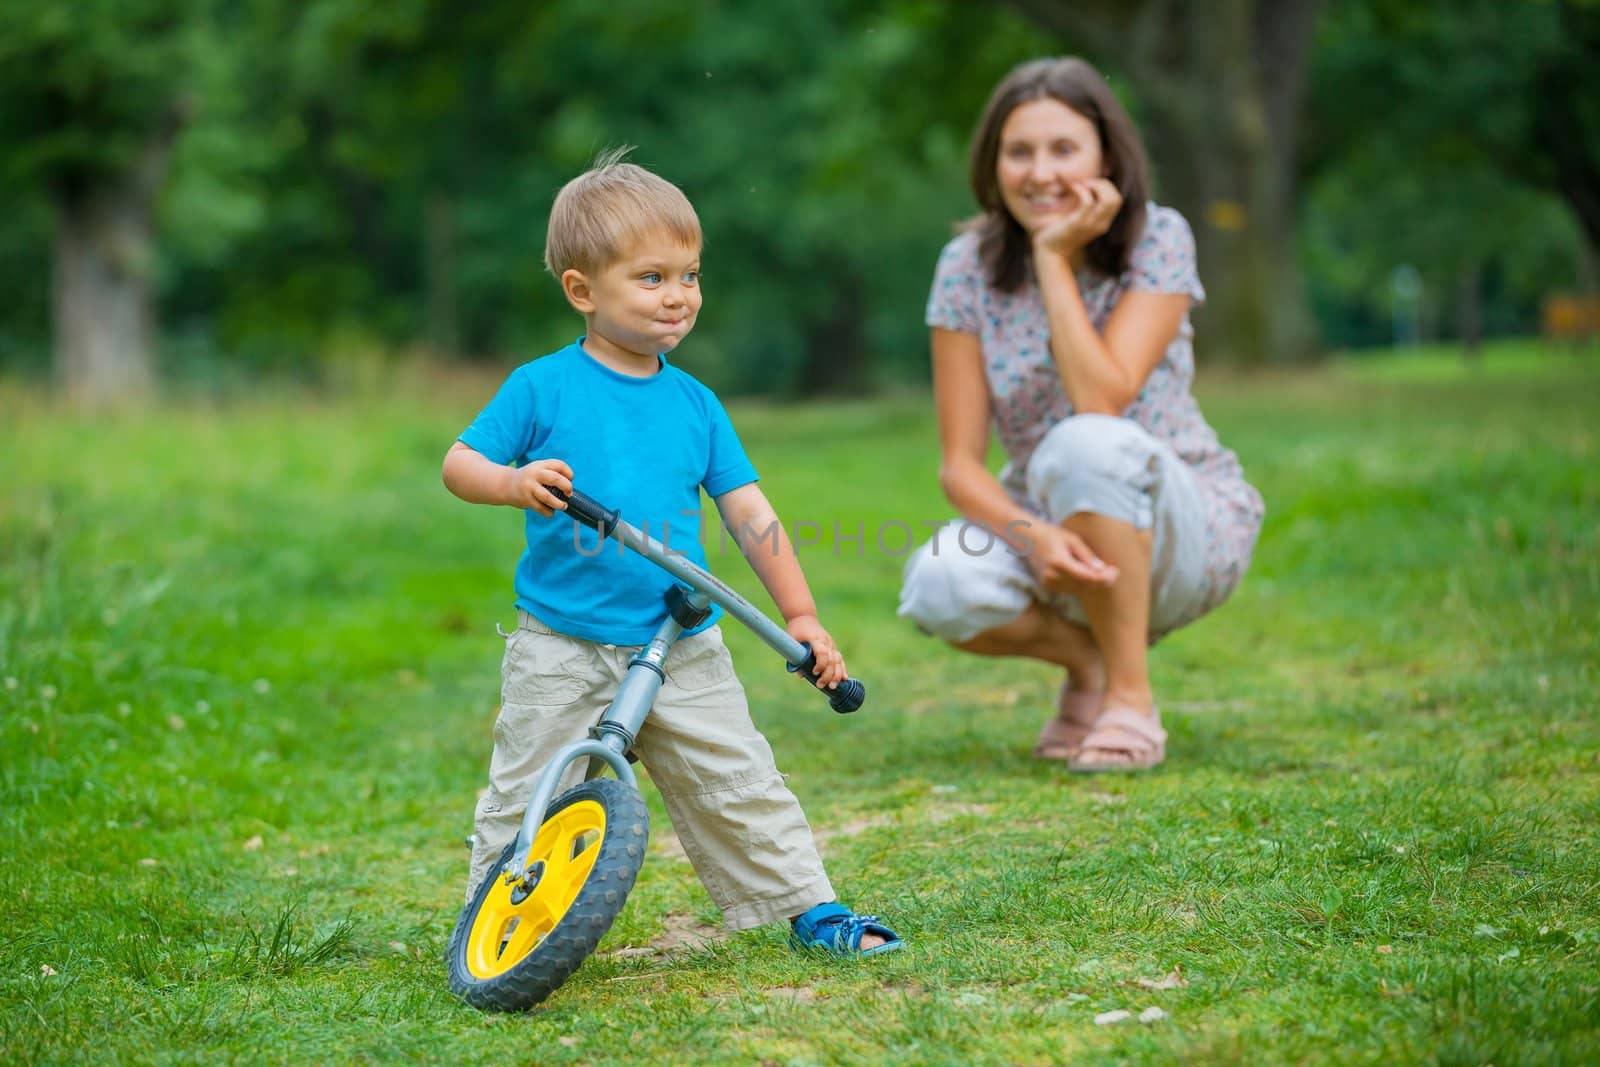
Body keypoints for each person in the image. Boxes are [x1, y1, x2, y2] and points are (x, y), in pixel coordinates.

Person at [443, 151, 899, 954]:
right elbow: (460, 464)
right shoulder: (541, 387)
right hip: (563, 642)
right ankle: (502, 922)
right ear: (582, 290)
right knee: (531, 792)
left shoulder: (696, 403)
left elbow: (751, 514)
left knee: (738, 779)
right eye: (651, 277)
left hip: (676, 639)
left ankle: (813, 908)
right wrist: (513, 483)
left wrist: (802, 614)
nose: (679, 295)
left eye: (689, 275)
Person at [897, 57, 1264, 773]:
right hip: (1053, 521)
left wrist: (1054, 257)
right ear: (993, 162)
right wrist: (1029, 535)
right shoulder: (965, 267)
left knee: (1084, 442)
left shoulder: (1158, 237)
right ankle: (1090, 666)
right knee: (938, 582)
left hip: (1181, 525)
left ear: (1105, 155)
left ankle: (1132, 701)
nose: (1040, 172)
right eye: (1020, 151)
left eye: (1063, 149)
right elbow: (961, 466)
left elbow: (1102, 400)